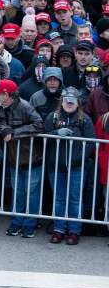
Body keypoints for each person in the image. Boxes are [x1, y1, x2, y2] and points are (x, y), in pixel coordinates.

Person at [0, 79, 44, 238]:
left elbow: (39, 125)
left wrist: (14, 132)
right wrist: (5, 129)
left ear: (6, 95)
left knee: (31, 193)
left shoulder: (25, 106)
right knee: (17, 192)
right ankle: (16, 221)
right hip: (14, 157)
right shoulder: (0, 107)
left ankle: (30, 224)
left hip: (31, 158)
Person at [43, 87, 95, 245]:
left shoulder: (84, 119)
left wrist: (79, 158)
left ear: (78, 103)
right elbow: (43, 137)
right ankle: (59, 229)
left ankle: (74, 231)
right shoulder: (53, 117)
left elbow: (91, 142)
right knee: (59, 199)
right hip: (56, 166)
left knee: (75, 199)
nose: (69, 104)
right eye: (66, 101)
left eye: (72, 102)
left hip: (77, 167)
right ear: (62, 101)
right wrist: (56, 133)